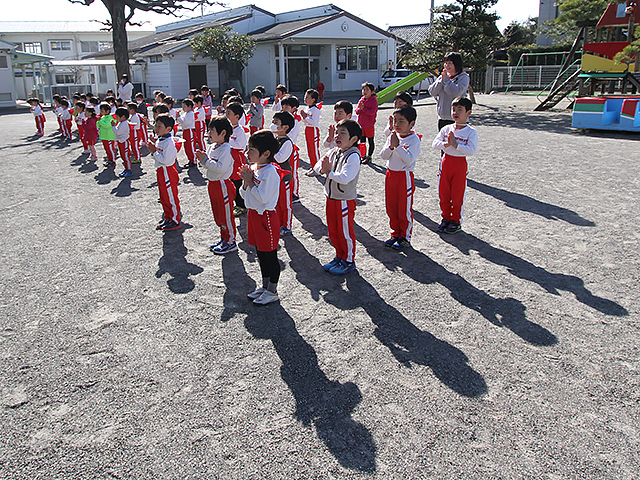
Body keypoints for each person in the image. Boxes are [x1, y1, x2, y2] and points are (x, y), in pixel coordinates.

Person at [238, 130, 282, 305]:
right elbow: (243, 195)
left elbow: (263, 197)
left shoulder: (270, 171)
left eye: (251, 150)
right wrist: (245, 182)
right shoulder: (255, 168)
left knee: (270, 255)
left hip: (266, 217)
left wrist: (249, 181)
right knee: (260, 253)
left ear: (266, 154)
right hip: (253, 215)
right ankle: (264, 287)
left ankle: (273, 290)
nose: (247, 153)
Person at [313, 119, 362, 275]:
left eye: (343, 133)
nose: (337, 136)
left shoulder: (353, 156)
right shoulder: (335, 151)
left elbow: (346, 178)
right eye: (337, 132)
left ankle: (348, 260)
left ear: (354, 139)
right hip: (331, 198)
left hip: (344, 201)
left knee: (344, 232)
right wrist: (322, 169)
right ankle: (339, 256)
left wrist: (328, 173)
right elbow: (318, 165)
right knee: (333, 230)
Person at [432, 97, 477, 234]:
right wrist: (447, 144)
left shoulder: (470, 132)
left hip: (459, 165)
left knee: (457, 196)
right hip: (446, 163)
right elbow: (435, 144)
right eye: (454, 109)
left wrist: (456, 144)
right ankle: (445, 218)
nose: (456, 112)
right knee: (444, 194)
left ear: (468, 113)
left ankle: (456, 221)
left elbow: (471, 150)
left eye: (460, 110)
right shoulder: (446, 129)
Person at [196, 116, 238, 255]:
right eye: (209, 130)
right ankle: (223, 237)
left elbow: (220, 168)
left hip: (223, 185)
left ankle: (230, 241)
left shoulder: (226, 149)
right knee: (218, 214)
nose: (209, 133)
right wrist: (203, 160)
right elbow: (208, 165)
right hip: (213, 184)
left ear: (223, 133)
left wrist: (205, 160)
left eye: (212, 130)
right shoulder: (213, 146)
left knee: (226, 215)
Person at [380, 105, 421, 250]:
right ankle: (395, 233)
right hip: (391, 175)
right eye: (395, 121)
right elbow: (384, 155)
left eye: (401, 121)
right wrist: (391, 146)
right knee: (391, 206)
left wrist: (397, 147)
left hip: (404, 177)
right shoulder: (393, 136)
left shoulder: (414, 139)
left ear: (412, 124)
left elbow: (409, 159)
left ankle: (405, 237)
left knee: (404, 208)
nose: (397, 125)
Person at [148, 114, 182, 231]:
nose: (156, 128)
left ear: (168, 129)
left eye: (159, 126)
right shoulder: (162, 139)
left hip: (167, 171)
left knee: (170, 197)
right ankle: (168, 217)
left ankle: (174, 219)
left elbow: (166, 160)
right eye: (155, 125)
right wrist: (155, 147)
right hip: (161, 171)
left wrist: (154, 152)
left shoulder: (169, 142)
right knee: (163, 196)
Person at [428, 52, 470, 132]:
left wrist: (447, 80)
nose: (447, 65)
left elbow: (456, 93)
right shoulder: (442, 77)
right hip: (443, 118)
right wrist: (441, 81)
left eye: (450, 63)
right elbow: (432, 91)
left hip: (458, 119)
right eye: (446, 63)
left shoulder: (463, 77)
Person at [271, 111, 295, 236]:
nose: (273, 125)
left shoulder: (287, 142)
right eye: (273, 122)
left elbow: (280, 158)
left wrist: (269, 150)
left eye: (276, 123)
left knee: (285, 204)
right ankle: (278, 223)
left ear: (285, 127)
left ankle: (286, 225)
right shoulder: (275, 139)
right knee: (276, 202)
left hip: (285, 178)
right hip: (275, 178)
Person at [226, 102, 248, 216]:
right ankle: (236, 203)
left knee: (238, 181)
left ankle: (242, 205)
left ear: (237, 116)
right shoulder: (229, 128)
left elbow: (240, 145)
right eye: (226, 112)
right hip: (230, 159)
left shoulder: (240, 130)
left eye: (229, 113)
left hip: (237, 159)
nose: (226, 115)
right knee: (232, 181)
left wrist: (227, 139)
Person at [280, 95, 301, 201]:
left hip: (291, 149)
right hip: (283, 148)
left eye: (286, 107)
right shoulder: (281, 120)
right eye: (282, 107)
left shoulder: (295, 122)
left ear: (294, 109)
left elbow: (291, 136)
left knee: (293, 172)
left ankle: (294, 193)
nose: (284, 109)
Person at [355, 82, 378, 164]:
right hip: (361, 124)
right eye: (363, 89)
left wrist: (363, 109)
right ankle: (363, 155)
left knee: (370, 141)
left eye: (367, 90)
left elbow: (372, 112)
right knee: (362, 141)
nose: (364, 91)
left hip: (369, 125)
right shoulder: (361, 100)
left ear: (372, 92)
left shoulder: (373, 101)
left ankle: (369, 156)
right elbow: (357, 111)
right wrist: (360, 109)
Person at [300, 88, 321, 175]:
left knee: (314, 150)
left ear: (313, 99)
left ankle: (317, 168)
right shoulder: (307, 108)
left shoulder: (315, 110)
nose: (305, 98)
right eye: (305, 96)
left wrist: (305, 117)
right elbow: (305, 121)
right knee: (309, 150)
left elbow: (314, 122)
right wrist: (304, 118)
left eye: (307, 97)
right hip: (307, 129)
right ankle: (313, 166)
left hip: (313, 130)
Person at [177, 99, 197, 168]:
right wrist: (178, 117)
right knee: (186, 147)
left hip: (189, 131)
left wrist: (178, 118)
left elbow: (185, 122)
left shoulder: (191, 113)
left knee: (191, 146)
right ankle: (190, 160)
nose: (183, 108)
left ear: (190, 106)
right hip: (185, 131)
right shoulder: (186, 113)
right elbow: (181, 120)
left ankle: (194, 161)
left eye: (184, 106)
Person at [113, 107, 132, 178]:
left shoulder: (124, 123)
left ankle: (129, 170)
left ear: (123, 117)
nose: (116, 118)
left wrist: (113, 126)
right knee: (123, 156)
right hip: (121, 142)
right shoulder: (121, 123)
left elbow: (117, 132)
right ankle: (126, 169)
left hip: (124, 141)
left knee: (126, 156)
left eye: (117, 116)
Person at [97, 103, 117, 167]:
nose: (101, 112)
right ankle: (109, 160)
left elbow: (107, 125)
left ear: (107, 111)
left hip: (109, 137)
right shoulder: (103, 117)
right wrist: (98, 122)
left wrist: (100, 121)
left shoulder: (110, 117)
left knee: (110, 149)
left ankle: (113, 161)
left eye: (102, 110)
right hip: (104, 136)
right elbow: (98, 126)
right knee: (107, 149)